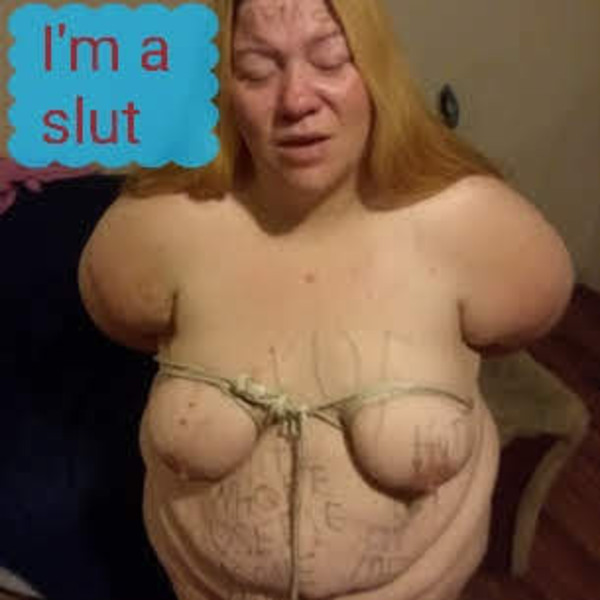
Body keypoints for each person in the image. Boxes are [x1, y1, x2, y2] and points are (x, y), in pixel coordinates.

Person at [77, 0, 574, 599]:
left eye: (332, 60)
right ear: (222, 88)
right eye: (256, 70)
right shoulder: (153, 232)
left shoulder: (483, 231)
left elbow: (514, 327)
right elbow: (129, 321)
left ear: (379, 71)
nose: (296, 100)